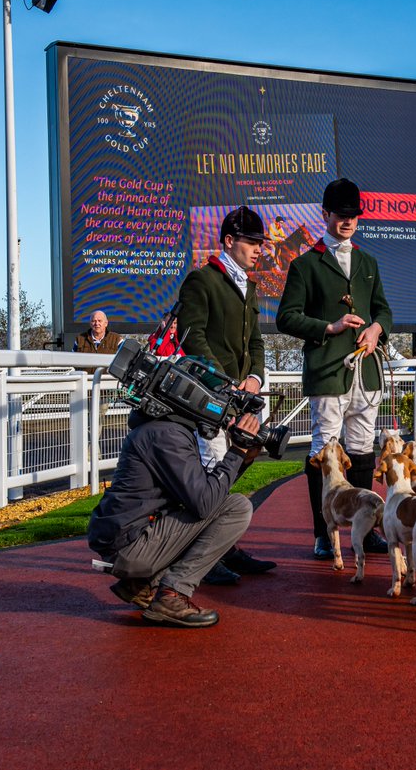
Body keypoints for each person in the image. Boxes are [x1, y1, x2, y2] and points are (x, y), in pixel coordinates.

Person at [277, 178, 392, 559]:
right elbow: (286, 318)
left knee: (361, 449)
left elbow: (384, 311)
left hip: (366, 371)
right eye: (341, 216)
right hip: (327, 368)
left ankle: (367, 528)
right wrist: (330, 327)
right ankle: (323, 532)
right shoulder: (305, 264)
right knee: (325, 450)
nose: (347, 222)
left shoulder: (369, 262)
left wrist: (377, 329)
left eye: (353, 216)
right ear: (325, 214)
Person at [87, 399, 262, 627]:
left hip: (128, 538)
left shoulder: (161, 429)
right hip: (132, 547)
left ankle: (141, 584)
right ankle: (172, 594)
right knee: (237, 507)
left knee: (212, 507)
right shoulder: (167, 434)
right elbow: (206, 503)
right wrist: (236, 451)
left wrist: (243, 458)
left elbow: (202, 494)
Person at [177, 205, 276, 582]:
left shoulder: (248, 285)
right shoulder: (201, 280)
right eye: (252, 242)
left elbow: (255, 341)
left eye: (260, 243)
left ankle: (224, 546)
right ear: (230, 241)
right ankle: (204, 556)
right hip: (210, 397)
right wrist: (224, 381)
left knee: (234, 468)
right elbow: (192, 336)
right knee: (213, 470)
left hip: (242, 395)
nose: (258, 249)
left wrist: (254, 375)